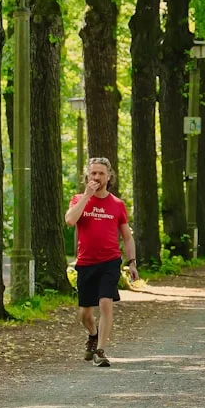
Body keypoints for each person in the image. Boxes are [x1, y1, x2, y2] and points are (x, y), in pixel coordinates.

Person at [65, 157, 139, 368]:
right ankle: (93, 335)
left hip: (110, 262)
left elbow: (127, 236)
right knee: (85, 315)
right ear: (87, 176)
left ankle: (100, 351)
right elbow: (70, 220)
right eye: (93, 173)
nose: (97, 177)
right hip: (86, 262)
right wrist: (87, 196)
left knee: (105, 303)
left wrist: (132, 262)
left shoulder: (117, 204)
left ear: (109, 177)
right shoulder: (78, 199)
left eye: (101, 174)